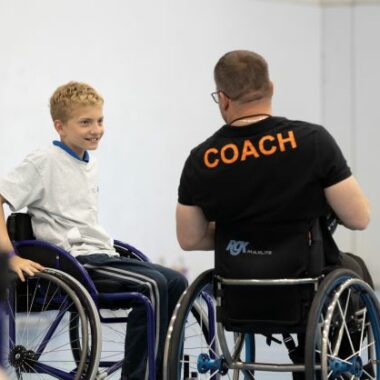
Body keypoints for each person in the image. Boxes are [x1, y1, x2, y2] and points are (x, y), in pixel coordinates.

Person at [176, 50, 373, 379]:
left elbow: (190, 238)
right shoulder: (312, 141)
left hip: (239, 293)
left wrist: (238, 235)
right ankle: (330, 365)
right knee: (354, 268)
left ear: (223, 99)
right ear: (270, 87)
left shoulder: (201, 158)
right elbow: (358, 218)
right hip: (304, 288)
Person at [0, 81, 187, 380]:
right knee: (152, 287)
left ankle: (161, 370)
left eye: (100, 121)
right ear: (60, 126)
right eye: (85, 122)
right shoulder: (43, 161)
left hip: (100, 253)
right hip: (74, 260)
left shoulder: (90, 162)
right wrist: (10, 256)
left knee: (176, 282)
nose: (96, 129)